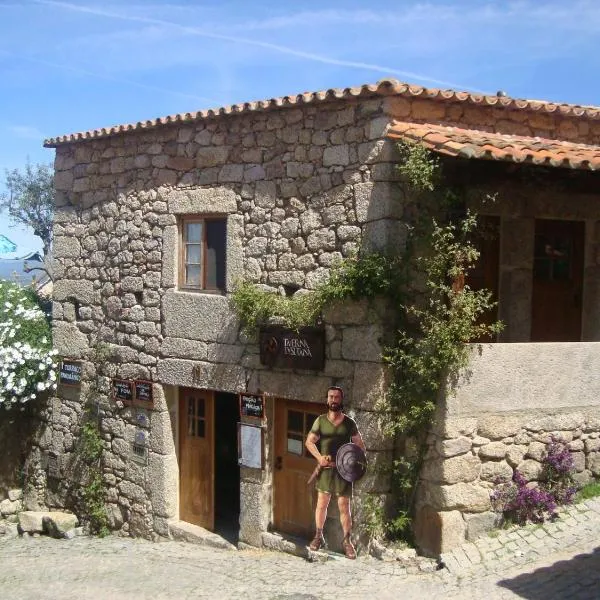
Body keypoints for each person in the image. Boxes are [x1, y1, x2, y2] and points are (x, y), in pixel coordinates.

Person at [304, 386, 365, 559]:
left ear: (341, 400)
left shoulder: (349, 423)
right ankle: (318, 536)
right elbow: (309, 442)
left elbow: (360, 446)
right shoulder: (320, 421)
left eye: (337, 397)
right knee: (321, 503)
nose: (333, 400)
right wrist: (319, 458)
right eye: (331, 397)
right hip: (325, 470)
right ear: (327, 399)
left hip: (343, 472)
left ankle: (347, 542)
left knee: (344, 506)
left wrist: (353, 461)